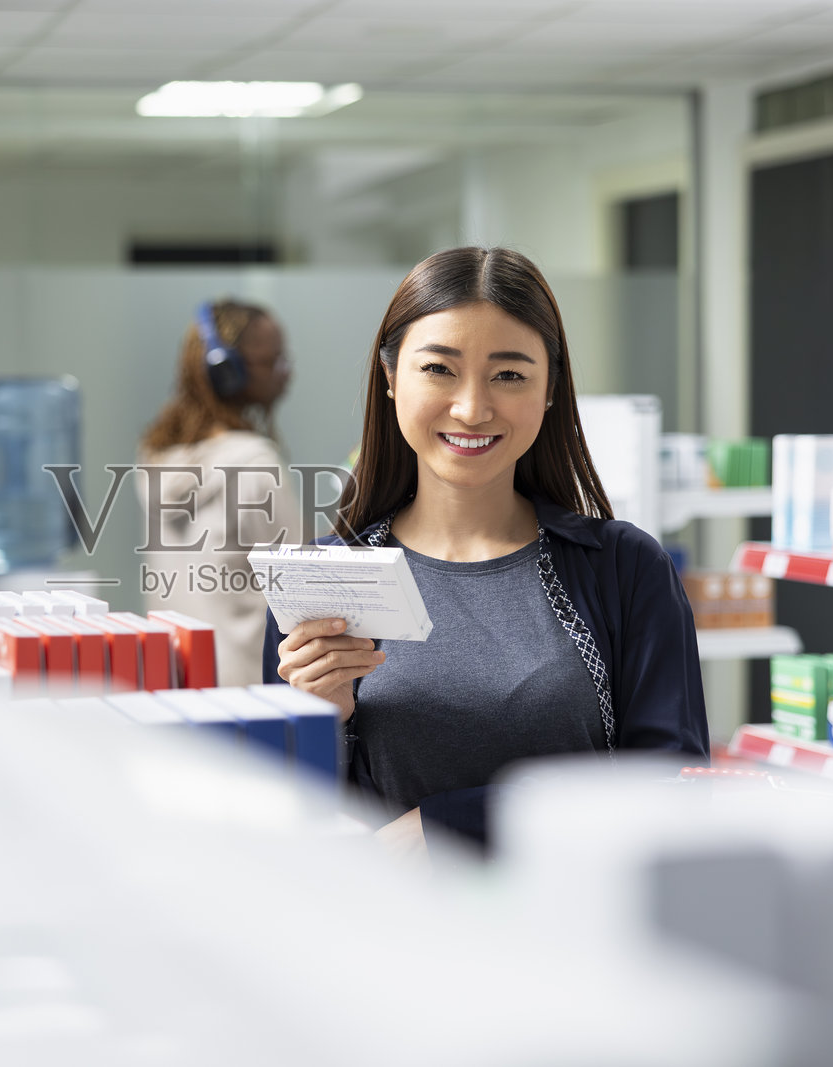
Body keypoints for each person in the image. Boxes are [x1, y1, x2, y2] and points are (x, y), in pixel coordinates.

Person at [264, 246, 707, 858]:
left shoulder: (626, 569)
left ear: (549, 389)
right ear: (390, 379)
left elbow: (672, 790)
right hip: (384, 939)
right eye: (439, 369)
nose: (472, 408)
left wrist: (449, 823)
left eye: (509, 374)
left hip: (573, 939)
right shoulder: (322, 581)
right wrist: (323, 726)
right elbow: (288, 828)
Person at [139, 299, 301, 687]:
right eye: (272, 360)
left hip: (175, 679)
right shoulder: (254, 462)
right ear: (229, 373)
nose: (286, 372)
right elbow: (298, 585)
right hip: (249, 688)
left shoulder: (160, 456)